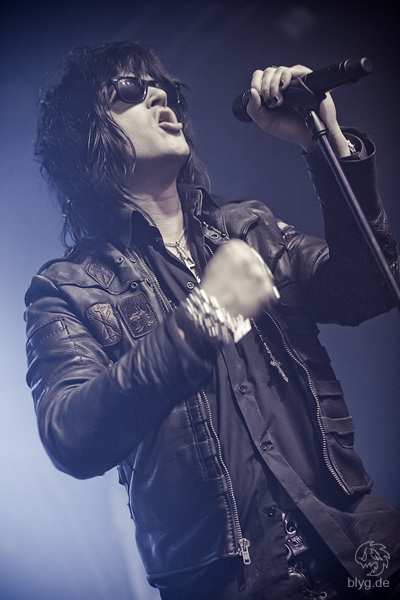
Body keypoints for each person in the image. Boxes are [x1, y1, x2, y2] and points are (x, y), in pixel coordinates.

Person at [25, 41, 400, 600]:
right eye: (129, 89)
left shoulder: (247, 228)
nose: (159, 95)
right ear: (83, 134)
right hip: (232, 583)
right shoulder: (67, 288)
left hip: (365, 548)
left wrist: (324, 141)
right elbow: (70, 436)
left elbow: (370, 286)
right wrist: (206, 319)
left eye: (165, 88)